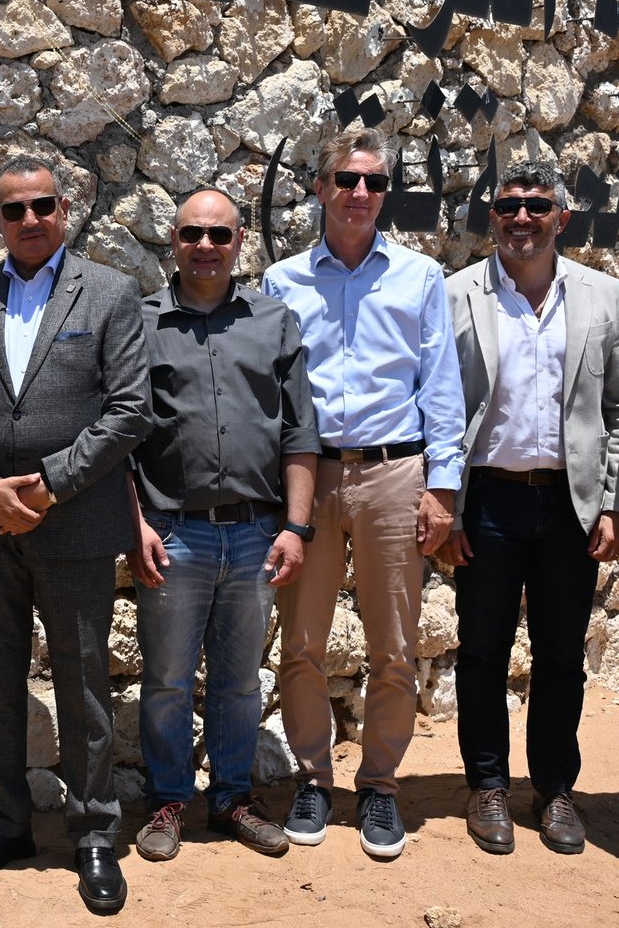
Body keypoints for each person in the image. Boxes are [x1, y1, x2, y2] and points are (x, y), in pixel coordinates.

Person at [0, 157, 151, 914]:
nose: (30, 219)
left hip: (75, 521)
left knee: (83, 682)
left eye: (42, 205)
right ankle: (6, 826)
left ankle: (93, 834)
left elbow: (130, 409)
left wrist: (50, 484)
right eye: (14, 208)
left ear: (65, 209)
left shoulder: (110, 292)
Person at [261, 127, 465, 858]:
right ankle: (313, 779)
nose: (359, 193)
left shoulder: (420, 277)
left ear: (386, 193)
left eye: (374, 182)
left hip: (393, 474)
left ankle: (379, 784)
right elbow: (270, 390)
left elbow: (440, 385)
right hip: (309, 476)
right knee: (301, 641)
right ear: (320, 188)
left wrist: (443, 489)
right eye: (346, 180)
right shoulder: (283, 281)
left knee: (395, 644)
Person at [440, 160, 619, 856]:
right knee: (482, 650)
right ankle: (488, 783)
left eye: (537, 204)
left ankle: (554, 788)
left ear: (562, 217)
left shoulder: (606, 298)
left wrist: (615, 505)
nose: (521, 217)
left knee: (560, 655)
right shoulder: (457, 294)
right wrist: (447, 507)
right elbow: (439, 405)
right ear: (491, 216)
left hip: (569, 503)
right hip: (487, 499)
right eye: (508, 205)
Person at [128, 190, 318, 863]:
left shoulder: (274, 321)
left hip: (254, 534)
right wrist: (135, 524)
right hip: (173, 532)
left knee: (240, 681)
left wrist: (296, 527)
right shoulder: (139, 323)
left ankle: (233, 797)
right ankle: (168, 800)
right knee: (168, 680)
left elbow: (299, 431)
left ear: (241, 242)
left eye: (219, 234)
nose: (205, 245)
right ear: (172, 242)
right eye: (192, 233)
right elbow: (120, 437)